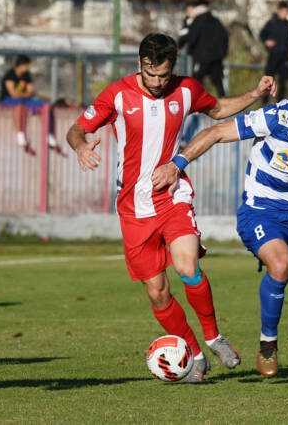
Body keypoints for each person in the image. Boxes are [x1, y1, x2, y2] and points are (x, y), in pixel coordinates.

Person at [65, 33, 276, 382]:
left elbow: (218, 109)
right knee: (157, 291)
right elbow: (77, 129)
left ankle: (213, 337)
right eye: (153, 76)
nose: (160, 83)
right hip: (134, 207)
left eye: (165, 75)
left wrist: (254, 95)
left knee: (187, 264)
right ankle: (193, 354)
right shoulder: (117, 94)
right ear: (141, 65)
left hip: (172, 193)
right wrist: (81, 147)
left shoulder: (186, 89)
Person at [152, 61, 288, 382]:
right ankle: (268, 345)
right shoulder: (276, 116)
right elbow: (215, 131)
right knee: (280, 264)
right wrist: (177, 163)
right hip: (260, 211)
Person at [0, 55, 62, 155]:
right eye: (26, 65)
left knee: (46, 107)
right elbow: (13, 94)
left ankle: (49, 135)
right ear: (21, 65)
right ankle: (21, 136)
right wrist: (25, 94)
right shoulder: (9, 75)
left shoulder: (26, 75)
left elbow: (31, 91)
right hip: (9, 100)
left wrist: (25, 94)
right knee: (20, 107)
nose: (27, 68)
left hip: (25, 99)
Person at [178, 0, 228, 98]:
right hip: (216, 57)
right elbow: (225, 38)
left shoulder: (197, 21)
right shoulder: (216, 21)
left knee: (197, 81)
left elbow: (191, 37)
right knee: (218, 82)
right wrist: (222, 53)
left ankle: (197, 104)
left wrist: (181, 46)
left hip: (201, 58)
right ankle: (225, 105)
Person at [260, 1, 288, 103]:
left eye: (287, 11)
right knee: (268, 82)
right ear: (279, 11)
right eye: (283, 11)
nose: (285, 13)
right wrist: (267, 42)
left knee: (283, 83)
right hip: (273, 57)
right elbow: (262, 35)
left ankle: (280, 104)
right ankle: (264, 104)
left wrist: (287, 48)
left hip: (284, 59)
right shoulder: (271, 23)